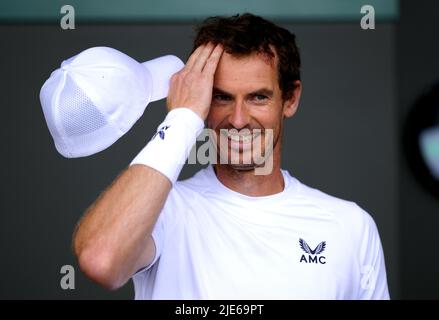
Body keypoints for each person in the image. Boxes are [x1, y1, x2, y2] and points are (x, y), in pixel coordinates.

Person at [73, 13, 390, 299]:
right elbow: (101, 261)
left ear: (290, 99)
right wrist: (182, 118)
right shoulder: (162, 213)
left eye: (258, 98)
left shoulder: (350, 227)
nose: (238, 120)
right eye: (221, 97)